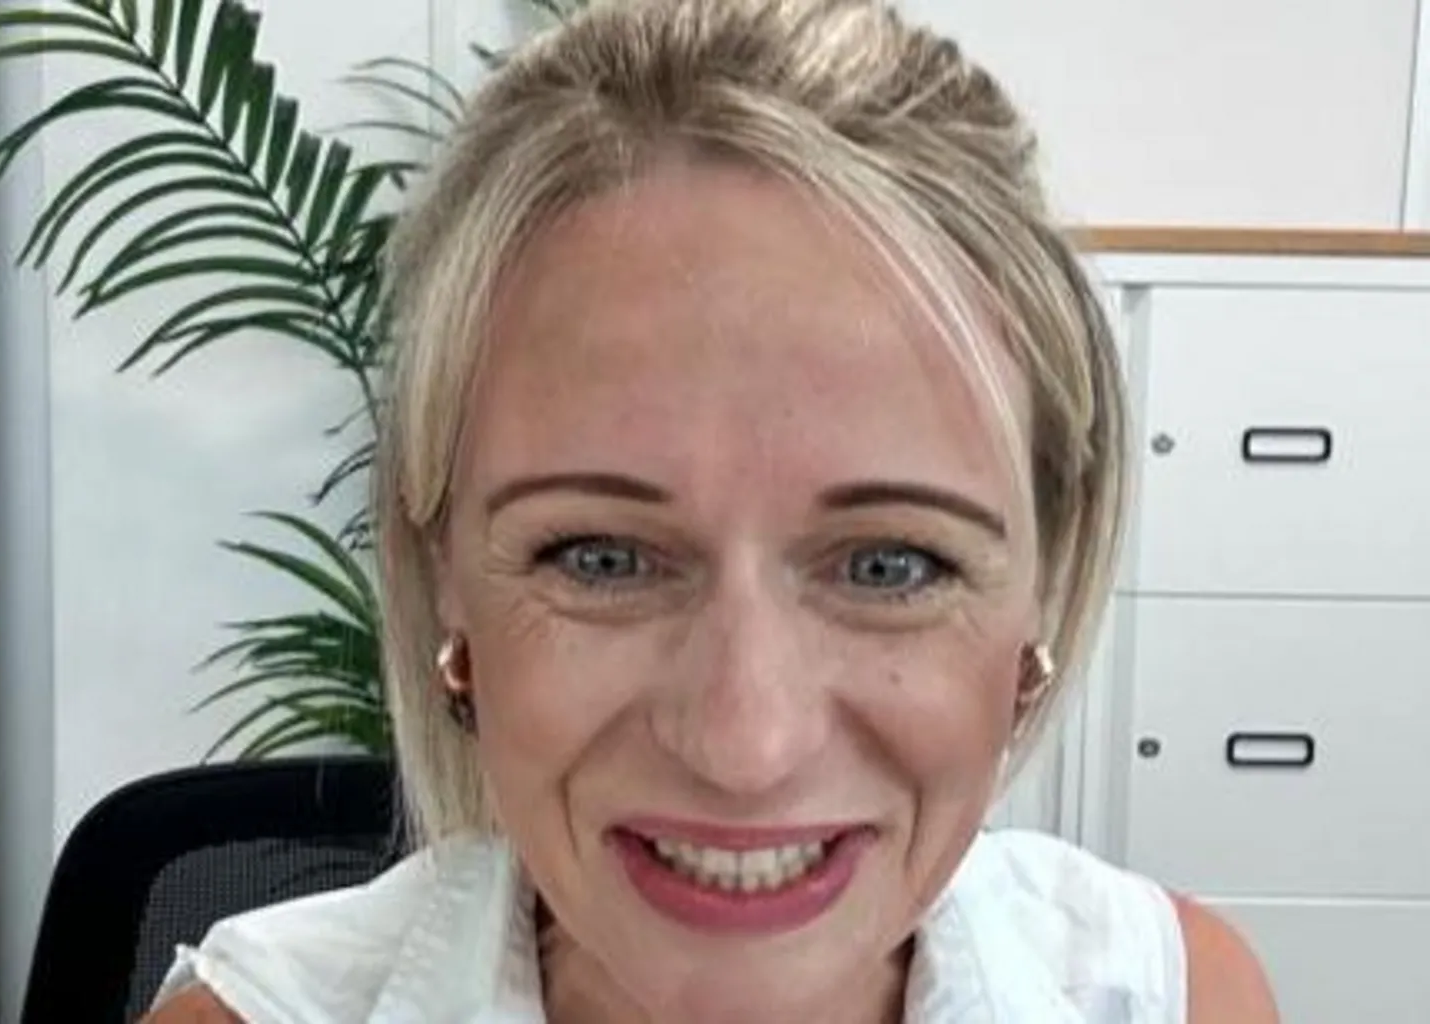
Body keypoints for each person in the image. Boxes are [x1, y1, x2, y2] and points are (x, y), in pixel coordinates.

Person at [147, 0, 1279, 1020]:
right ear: (444, 567)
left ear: (1043, 580)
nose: (748, 743)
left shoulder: (1176, 998)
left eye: (890, 565)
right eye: (598, 557)